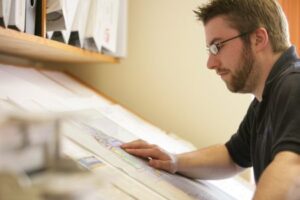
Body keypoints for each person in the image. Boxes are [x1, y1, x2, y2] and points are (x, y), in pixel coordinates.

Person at [121, 0, 300, 199]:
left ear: (258, 39)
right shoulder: (266, 98)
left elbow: (291, 170)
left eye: (217, 46)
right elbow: (232, 157)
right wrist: (174, 161)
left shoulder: (294, 85)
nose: (211, 63)